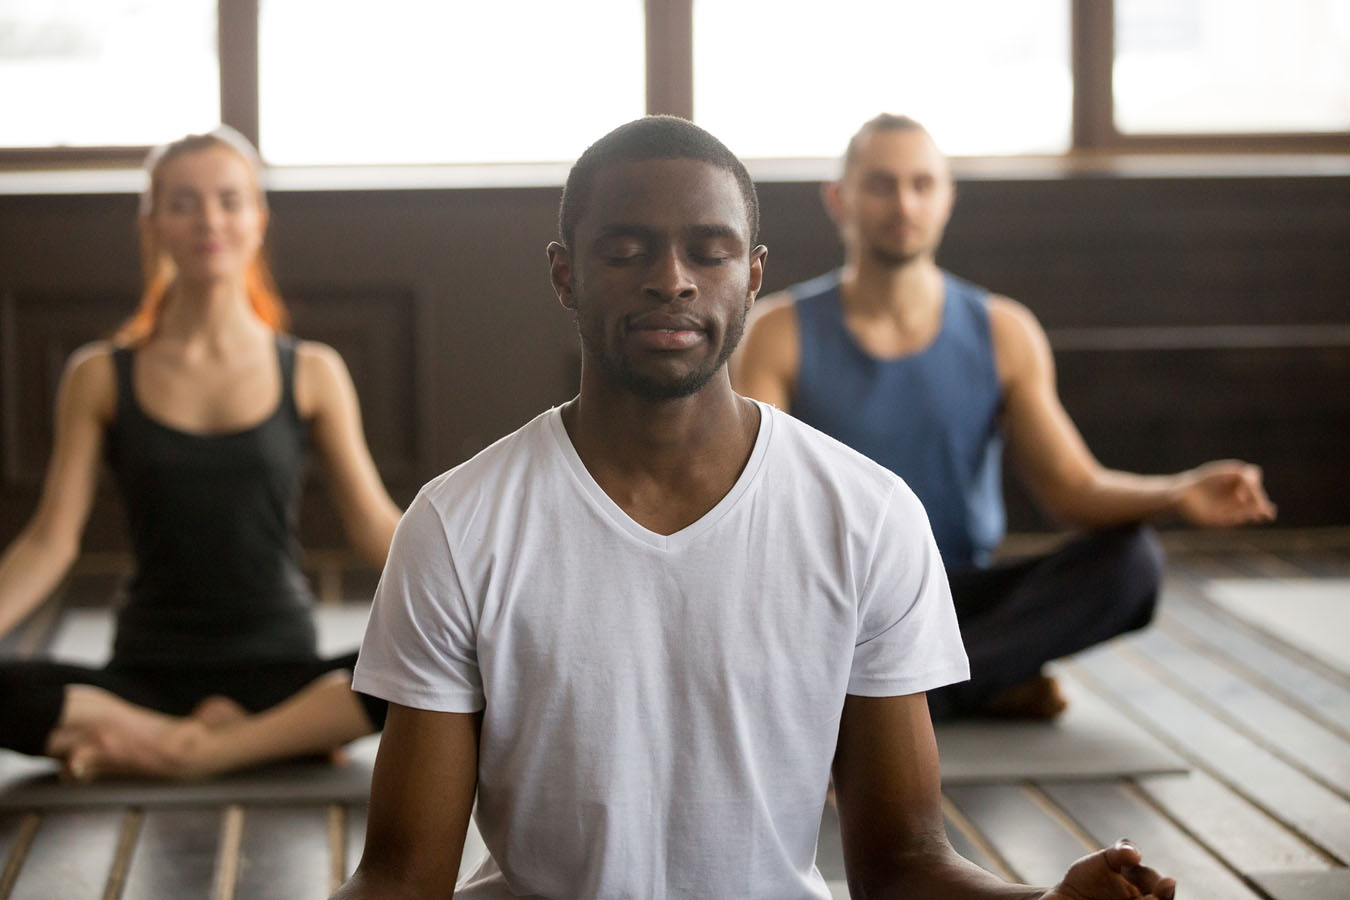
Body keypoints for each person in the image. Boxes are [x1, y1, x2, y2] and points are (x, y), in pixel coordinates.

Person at [333, 116, 1176, 900]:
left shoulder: (868, 516)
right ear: (566, 273)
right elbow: (403, 877)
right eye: (627, 250)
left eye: (709, 252)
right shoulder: (456, 524)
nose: (672, 281)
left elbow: (901, 864)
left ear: (753, 274)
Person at [733, 113, 1276, 720]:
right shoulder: (779, 332)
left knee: (1133, 565)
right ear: (840, 199)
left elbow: (1073, 489)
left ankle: (880, 702)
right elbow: (758, 503)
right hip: (837, 601)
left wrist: (1179, 493)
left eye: (921, 184)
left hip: (956, 600)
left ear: (947, 199)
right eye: (881, 184)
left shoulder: (1003, 331)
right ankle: (973, 683)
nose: (903, 203)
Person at [0, 126, 401, 781]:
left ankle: (182, 752)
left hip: (280, 665)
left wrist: (472, 602)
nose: (208, 219)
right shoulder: (98, 375)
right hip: (148, 673)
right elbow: (50, 542)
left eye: (228, 200)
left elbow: (373, 524)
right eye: (183, 203)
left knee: (430, 664)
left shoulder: (312, 371)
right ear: (152, 223)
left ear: (257, 221)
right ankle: (266, 743)